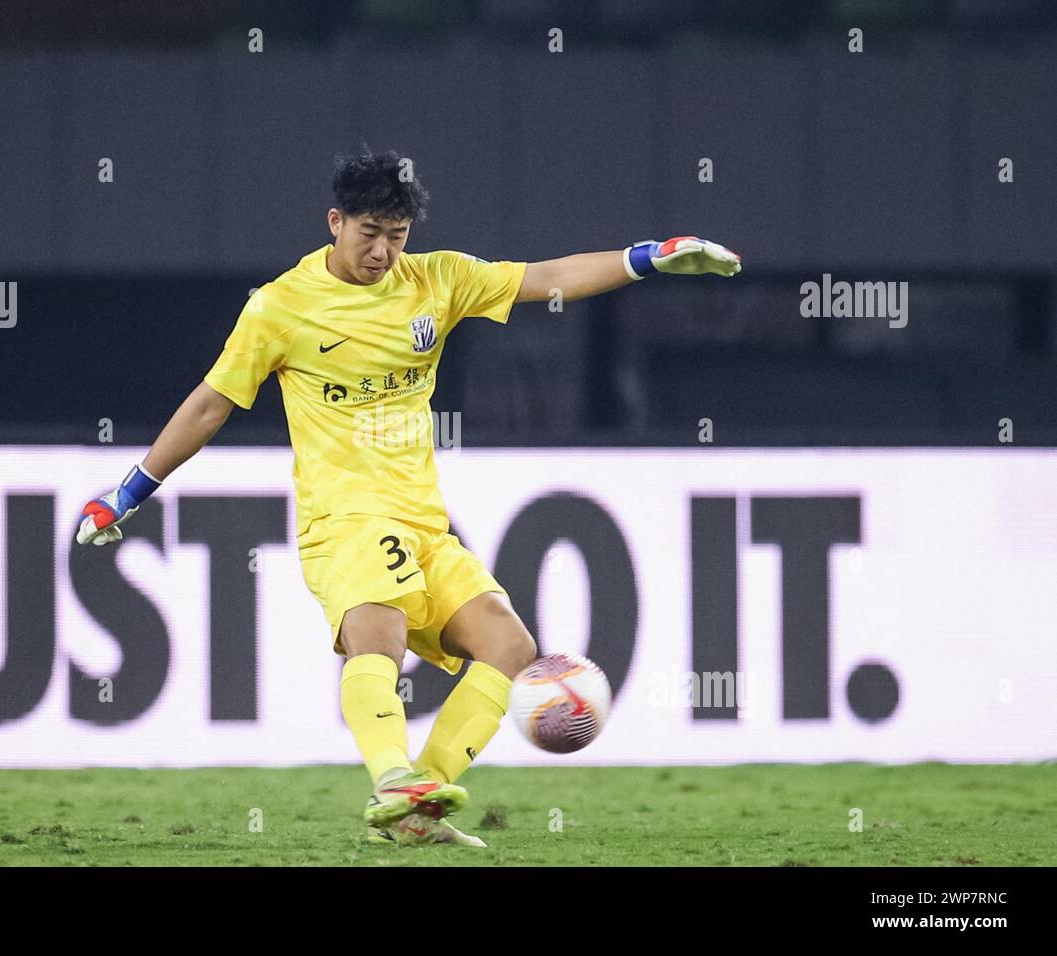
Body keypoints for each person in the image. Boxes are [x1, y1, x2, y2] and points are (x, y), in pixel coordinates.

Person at [76, 148, 741, 847]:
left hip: (424, 524)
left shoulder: (436, 280)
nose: (383, 250)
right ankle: (393, 776)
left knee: (511, 646)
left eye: (396, 234)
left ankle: (417, 812)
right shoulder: (279, 307)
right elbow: (211, 404)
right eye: (369, 231)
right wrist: (128, 492)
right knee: (380, 633)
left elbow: (546, 279)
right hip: (344, 519)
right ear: (335, 222)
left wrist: (649, 258)